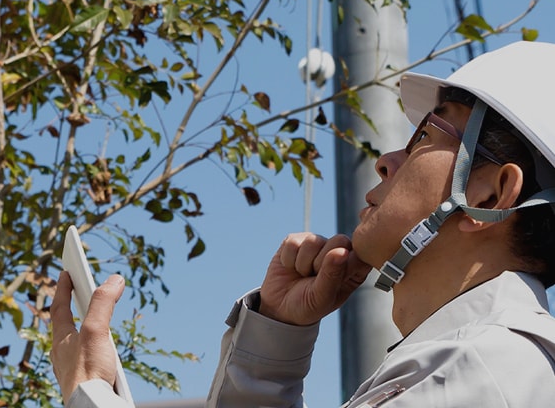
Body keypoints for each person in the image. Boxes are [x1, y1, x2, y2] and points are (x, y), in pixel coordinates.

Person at [49, 41, 555, 407]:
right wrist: (273, 337)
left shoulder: (480, 367)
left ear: (490, 193)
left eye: (425, 134)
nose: (386, 160)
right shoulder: (468, 362)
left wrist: (90, 394)